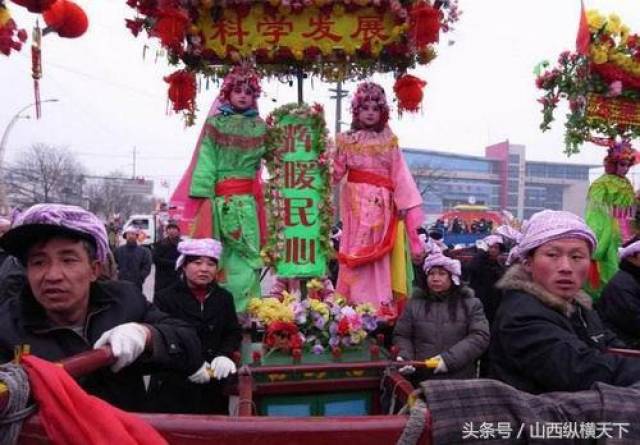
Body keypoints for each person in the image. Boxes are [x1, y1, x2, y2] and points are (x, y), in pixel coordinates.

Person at [0, 204, 202, 411]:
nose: (53, 275)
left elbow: (189, 344)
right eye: (38, 262)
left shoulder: (125, 301)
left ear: (94, 270)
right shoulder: (7, 325)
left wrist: (147, 335)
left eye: (68, 260)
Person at [490, 210, 640, 393]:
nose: (566, 268)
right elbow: (580, 369)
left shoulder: (580, 306)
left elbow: (611, 345)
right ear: (528, 262)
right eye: (552, 255)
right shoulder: (521, 314)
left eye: (577, 257)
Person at [332, 82, 424, 310]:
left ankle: (377, 303)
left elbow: (400, 175)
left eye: (375, 108)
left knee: (378, 256)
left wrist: (403, 207)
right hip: (354, 206)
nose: (370, 112)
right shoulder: (346, 140)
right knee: (353, 251)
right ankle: (351, 303)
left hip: (382, 206)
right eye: (365, 108)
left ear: (382, 112)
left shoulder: (389, 141)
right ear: (356, 111)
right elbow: (334, 171)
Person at [188, 65, 267, 312]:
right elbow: (207, 158)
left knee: (250, 254)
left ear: (254, 97)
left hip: (248, 203)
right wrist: (206, 197)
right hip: (220, 202)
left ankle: (250, 308)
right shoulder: (215, 124)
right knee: (219, 254)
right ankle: (221, 308)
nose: (243, 96)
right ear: (228, 93)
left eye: (248, 92)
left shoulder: (261, 127)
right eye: (238, 91)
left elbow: (276, 157)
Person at [148, 238, 241, 414]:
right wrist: (192, 365)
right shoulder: (165, 298)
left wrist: (224, 355)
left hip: (213, 384)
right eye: (197, 263)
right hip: (174, 385)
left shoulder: (224, 298)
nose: (204, 269)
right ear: (184, 266)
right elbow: (162, 338)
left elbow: (232, 331)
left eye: (211, 264)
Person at [393, 246, 489, 383]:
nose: (435, 278)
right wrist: (405, 356)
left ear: (453, 278)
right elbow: (402, 335)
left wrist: (448, 360)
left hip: (459, 378)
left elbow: (479, 337)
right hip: (423, 377)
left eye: (442, 274)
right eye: (431, 274)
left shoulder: (470, 304)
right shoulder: (414, 305)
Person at [585, 140, 638, 299]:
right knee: (610, 269)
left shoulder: (627, 183)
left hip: (629, 232)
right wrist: (601, 235)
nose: (626, 169)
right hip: (609, 231)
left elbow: (631, 209)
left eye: (628, 165)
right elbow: (595, 213)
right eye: (622, 164)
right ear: (613, 163)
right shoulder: (601, 183)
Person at [596, 236, 640, 348]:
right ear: (633, 256)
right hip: (624, 347)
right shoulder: (621, 285)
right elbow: (633, 323)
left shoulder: (633, 278)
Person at [114, 226, 152, 292]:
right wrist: (117, 275)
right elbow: (114, 265)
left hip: (136, 284)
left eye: (133, 234)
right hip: (121, 283)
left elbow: (147, 266)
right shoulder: (119, 251)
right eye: (128, 234)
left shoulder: (143, 251)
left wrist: (140, 277)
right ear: (125, 236)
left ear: (136, 236)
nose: (131, 236)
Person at [152, 221, 181, 292]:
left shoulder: (182, 244)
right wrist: (174, 263)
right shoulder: (160, 244)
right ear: (167, 231)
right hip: (162, 278)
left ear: (178, 231)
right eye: (170, 228)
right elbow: (156, 259)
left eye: (174, 228)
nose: (172, 230)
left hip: (177, 277)